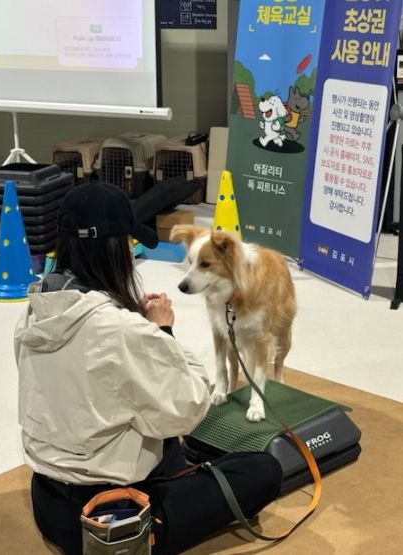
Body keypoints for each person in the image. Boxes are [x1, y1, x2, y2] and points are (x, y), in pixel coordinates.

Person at [15, 183, 283, 555]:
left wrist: (137, 329)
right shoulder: (124, 331)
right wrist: (162, 332)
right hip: (113, 521)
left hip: (47, 499)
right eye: (129, 244)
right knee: (263, 470)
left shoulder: (34, 311)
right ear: (117, 250)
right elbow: (188, 409)